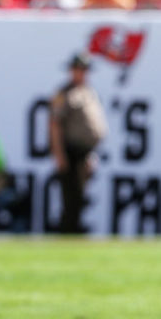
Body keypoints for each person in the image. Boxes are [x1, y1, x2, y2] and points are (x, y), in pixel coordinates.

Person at [49, 52, 106, 234]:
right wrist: (59, 155)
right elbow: (55, 125)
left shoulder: (88, 91)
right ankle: (68, 232)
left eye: (84, 69)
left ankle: (75, 229)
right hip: (70, 151)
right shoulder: (64, 93)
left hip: (85, 151)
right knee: (70, 197)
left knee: (81, 195)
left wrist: (92, 152)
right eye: (78, 69)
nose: (81, 73)